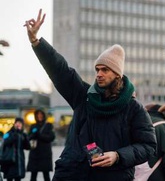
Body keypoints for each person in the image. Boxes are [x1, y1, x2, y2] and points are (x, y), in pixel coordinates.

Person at [24, 9, 157, 181]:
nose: (99, 74)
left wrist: (117, 156)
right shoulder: (83, 96)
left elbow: (148, 146)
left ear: (117, 74)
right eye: (97, 69)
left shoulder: (133, 108)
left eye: (105, 70)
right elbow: (61, 71)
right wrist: (36, 42)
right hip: (73, 175)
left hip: (112, 176)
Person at [27, 108, 56, 181]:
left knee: (46, 175)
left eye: (41, 114)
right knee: (33, 175)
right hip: (35, 153)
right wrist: (33, 135)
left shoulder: (48, 125)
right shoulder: (33, 125)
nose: (39, 116)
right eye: (38, 114)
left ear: (44, 115)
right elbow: (29, 137)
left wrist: (40, 135)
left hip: (45, 154)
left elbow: (51, 137)